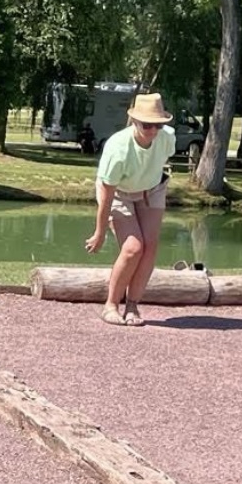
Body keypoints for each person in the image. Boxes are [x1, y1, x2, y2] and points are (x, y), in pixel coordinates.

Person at [85, 92, 176, 326]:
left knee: (150, 247)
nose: (153, 131)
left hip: (152, 190)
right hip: (118, 194)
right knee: (133, 248)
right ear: (134, 121)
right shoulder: (118, 147)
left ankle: (133, 305)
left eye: (158, 125)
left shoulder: (167, 138)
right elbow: (106, 193)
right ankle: (111, 305)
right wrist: (100, 231)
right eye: (147, 125)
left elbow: (160, 161)